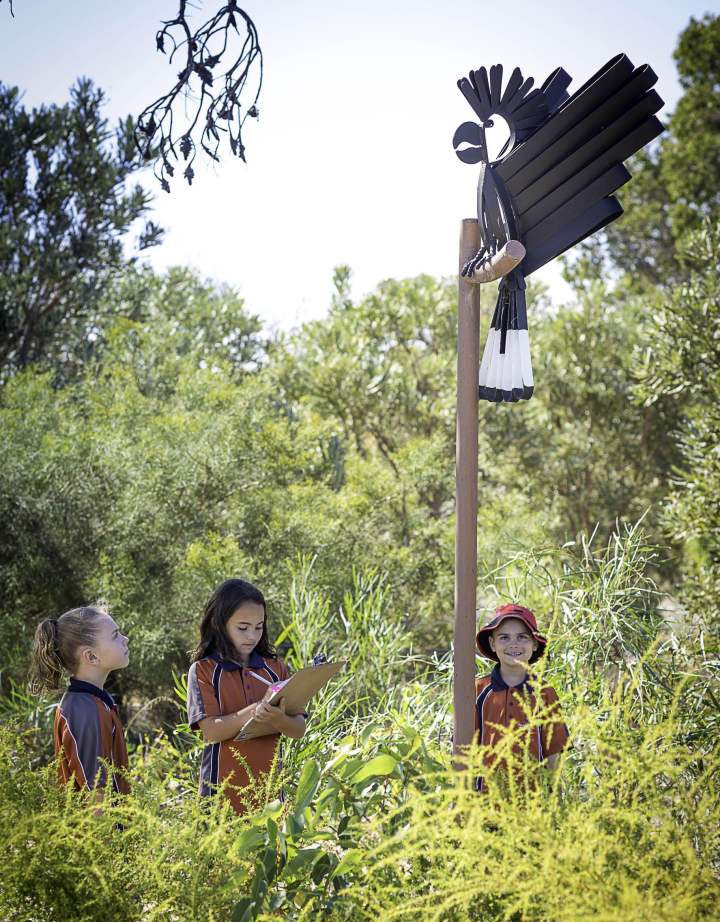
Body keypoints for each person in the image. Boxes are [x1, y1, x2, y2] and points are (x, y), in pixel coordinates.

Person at [187, 578, 306, 815]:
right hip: (220, 797)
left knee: (271, 852)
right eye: (243, 627)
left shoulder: (276, 669)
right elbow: (210, 732)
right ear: (220, 624)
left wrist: (276, 717)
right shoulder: (203, 671)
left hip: (270, 797)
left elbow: (298, 730)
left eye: (259, 627)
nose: (252, 636)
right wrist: (253, 711)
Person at [29, 605, 131, 801]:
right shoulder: (85, 710)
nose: (125, 639)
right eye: (115, 635)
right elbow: (95, 796)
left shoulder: (94, 701)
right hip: (100, 830)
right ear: (91, 656)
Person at [474, 603, 568, 791]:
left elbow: (554, 752)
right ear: (492, 644)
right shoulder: (479, 690)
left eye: (522, 637)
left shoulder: (544, 692)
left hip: (532, 805)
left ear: (534, 644)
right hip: (485, 802)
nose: (513, 644)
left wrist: (553, 798)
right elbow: (463, 747)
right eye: (504, 637)